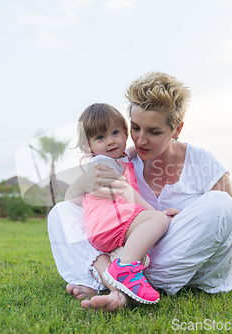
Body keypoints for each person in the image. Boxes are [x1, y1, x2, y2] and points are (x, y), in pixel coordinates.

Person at [48, 71, 232, 311]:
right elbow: (77, 206)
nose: (140, 140)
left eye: (154, 132)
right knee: (61, 212)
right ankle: (124, 283)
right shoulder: (121, 160)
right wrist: (83, 184)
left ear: (177, 129)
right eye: (135, 128)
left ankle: (111, 282)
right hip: (132, 257)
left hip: (181, 256)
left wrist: (179, 220)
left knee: (221, 205)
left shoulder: (205, 163)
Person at [76, 103, 176, 304]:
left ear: (125, 133)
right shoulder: (102, 165)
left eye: (115, 133)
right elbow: (128, 193)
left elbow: (131, 151)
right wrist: (158, 214)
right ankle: (126, 268)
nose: (111, 141)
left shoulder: (118, 159)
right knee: (157, 221)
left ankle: (102, 288)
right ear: (89, 146)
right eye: (100, 138)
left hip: (104, 227)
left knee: (120, 251)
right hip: (108, 221)